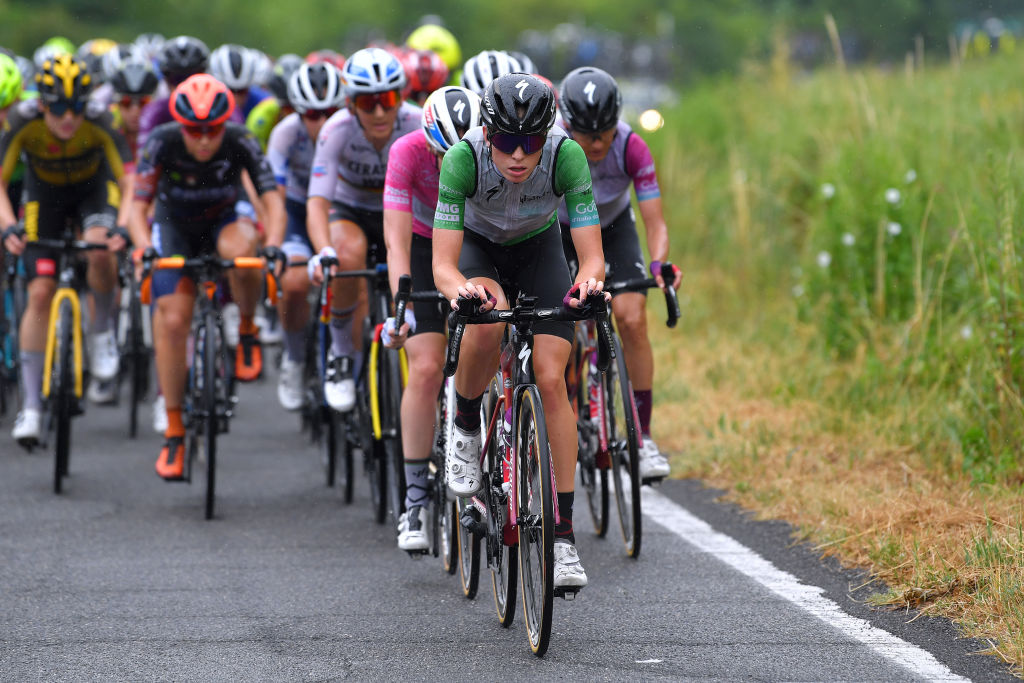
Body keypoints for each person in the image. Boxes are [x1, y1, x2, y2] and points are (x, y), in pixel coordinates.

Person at [432, 72, 606, 589]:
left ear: (546, 137)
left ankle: (564, 536)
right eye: (505, 141)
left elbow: (591, 256)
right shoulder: (462, 158)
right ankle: (465, 422)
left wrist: (591, 285)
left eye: (529, 143)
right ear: (487, 133)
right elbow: (443, 265)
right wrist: (460, 290)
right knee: (487, 322)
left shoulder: (566, 155)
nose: (517, 155)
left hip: (539, 250)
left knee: (552, 380)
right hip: (479, 250)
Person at [128, 74, 285, 480]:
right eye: (194, 130)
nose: (203, 140)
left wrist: (276, 245)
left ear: (223, 124)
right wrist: (143, 245)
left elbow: (271, 199)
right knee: (174, 319)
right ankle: (175, 429)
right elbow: (136, 205)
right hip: (174, 226)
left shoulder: (240, 138)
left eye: (211, 130)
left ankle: (246, 329)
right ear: (180, 125)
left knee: (242, 252)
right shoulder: (161, 141)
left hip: (224, 222)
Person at [0, 54, 133, 445]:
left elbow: (130, 182)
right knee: (40, 290)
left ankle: (102, 332)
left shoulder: (101, 119)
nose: (68, 118)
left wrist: (123, 226)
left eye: (76, 107)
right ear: (41, 103)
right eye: (58, 108)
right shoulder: (22, 120)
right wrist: (8, 226)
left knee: (100, 249)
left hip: (94, 192)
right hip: (46, 196)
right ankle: (32, 409)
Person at [557, 66, 681, 480]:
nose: (595, 143)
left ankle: (642, 438)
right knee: (562, 329)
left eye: (604, 132)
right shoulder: (551, 144)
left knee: (632, 319)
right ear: (566, 124)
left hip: (613, 227)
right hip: (560, 230)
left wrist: (660, 262)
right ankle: (567, 416)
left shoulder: (631, 146)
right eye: (585, 133)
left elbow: (656, 223)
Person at [382, 85, 481, 552]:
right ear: (427, 143)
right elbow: (397, 243)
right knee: (424, 368)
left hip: (475, 241)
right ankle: (415, 500)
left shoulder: (491, 150)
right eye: (442, 156)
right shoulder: (405, 152)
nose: (450, 167)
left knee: (489, 346)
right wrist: (400, 306)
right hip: (424, 246)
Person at [305, 47, 420, 413]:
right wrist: (324, 251)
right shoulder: (336, 129)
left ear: (401, 96)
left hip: (404, 211)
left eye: (387, 100)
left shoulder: (417, 121)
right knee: (346, 254)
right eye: (368, 103)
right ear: (351, 103)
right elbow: (317, 202)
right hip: (351, 209)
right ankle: (341, 354)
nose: (380, 112)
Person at [266, 62, 344, 410]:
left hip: (340, 211)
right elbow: (275, 199)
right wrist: (276, 245)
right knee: (295, 281)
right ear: (297, 112)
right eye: (313, 114)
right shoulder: (284, 134)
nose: (322, 121)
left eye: (330, 111)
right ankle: (295, 359)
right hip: (297, 212)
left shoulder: (349, 130)